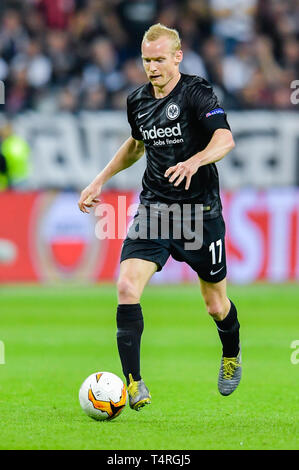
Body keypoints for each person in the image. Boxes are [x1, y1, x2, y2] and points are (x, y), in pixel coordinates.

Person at [78, 23, 241, 411]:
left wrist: (194, 160)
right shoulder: (137, 100)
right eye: (146, 60)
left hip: (200, 214)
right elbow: (136, 144)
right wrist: (100, 179)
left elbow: (225, 138)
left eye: (159, 60)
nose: (152, 67)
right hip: (155, 210)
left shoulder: (196, 93)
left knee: (216, 305)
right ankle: (133, 384)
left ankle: (231, 353)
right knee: (126, 288)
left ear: (177, 57)